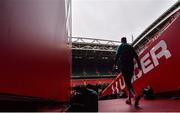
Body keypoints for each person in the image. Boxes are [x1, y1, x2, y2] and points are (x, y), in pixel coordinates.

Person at [113, 37, 142, 107]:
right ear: (126, 41)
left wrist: (114, 64)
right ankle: (129, 99)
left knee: (127, 82)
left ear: (121, 41)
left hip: (124, 67)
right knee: (129, 82)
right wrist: (139, 65)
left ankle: (135, 95)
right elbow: (136, 56)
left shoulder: (120, 46)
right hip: (131, 67)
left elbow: (117, 55)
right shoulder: (130, 47)